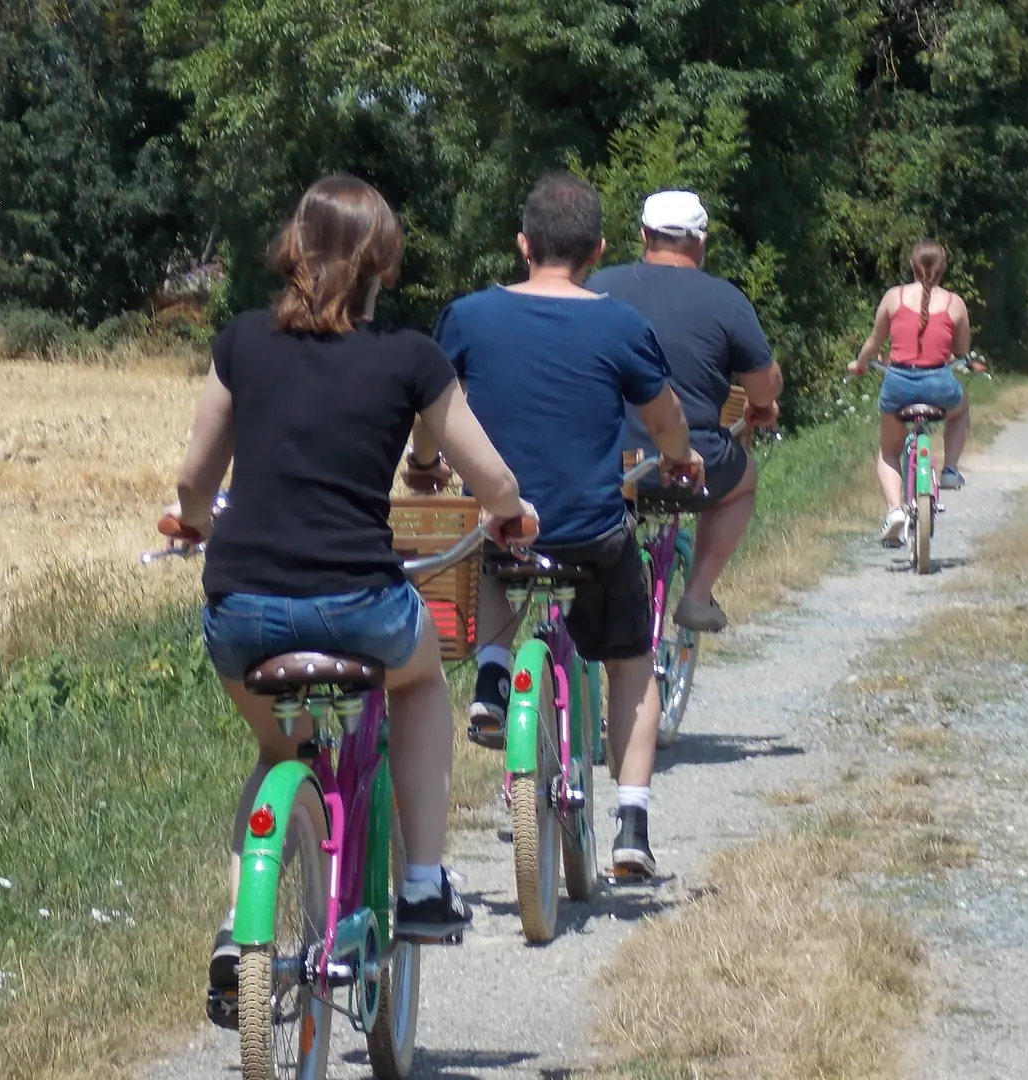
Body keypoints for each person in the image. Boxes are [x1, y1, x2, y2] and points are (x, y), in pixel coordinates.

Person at [168, 174, 539, 1007]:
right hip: (360, 606)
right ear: (386, 265)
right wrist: (513, 514)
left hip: (242, 612)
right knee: (421, 682)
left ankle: (240, 931)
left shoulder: (240, 342)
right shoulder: (411, 358)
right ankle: (419, 883)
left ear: (293, 251)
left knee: (277, 749)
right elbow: (489, 477)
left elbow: (195, 477)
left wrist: (193, 521)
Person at [416, 171, 704, 878]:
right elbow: (664, 419)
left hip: (512, 528)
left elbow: (430, 410)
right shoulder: (619, 324)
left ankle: (491, 678)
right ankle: (631, 823)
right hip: (594, 534)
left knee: (493, 547)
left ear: (522, 243)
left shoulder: (468, 316)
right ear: (599, 247)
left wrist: (424, 466)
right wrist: (682, 458)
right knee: (632, 659)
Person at [586, 190, 782, 633]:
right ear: (701, 240)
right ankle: (695, 595)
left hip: (602, 466)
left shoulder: (597, 286)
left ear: (643, 235)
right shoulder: (725, 299)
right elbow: (763, 384)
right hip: (689, 465)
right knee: (744, 478)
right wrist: (763, 406)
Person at [847, 239, 981, 545]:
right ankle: (949, 469)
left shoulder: (894, 297)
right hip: (939, 385)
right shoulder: (954, 303)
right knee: (960, 410)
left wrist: (861, 363)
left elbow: (873, 341)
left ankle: (895, 510)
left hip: (897, 385)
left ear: (911, 265)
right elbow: (961, 351)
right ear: (943, 269)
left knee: (888, 450)